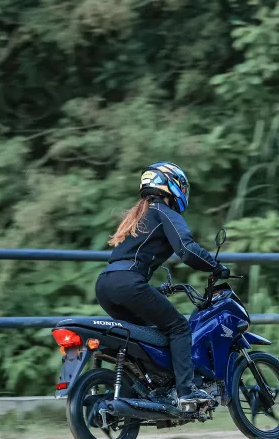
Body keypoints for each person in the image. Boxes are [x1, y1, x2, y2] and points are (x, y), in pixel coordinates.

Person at [95, 161, 229, 405]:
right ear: (172, 186)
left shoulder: (138, 216)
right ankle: (186, 392)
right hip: (129, 284)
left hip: (105, 284)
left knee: (147, 335)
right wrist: (216, 267)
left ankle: (151, 387)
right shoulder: (165, 212)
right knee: (178, 327)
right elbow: (187, 250)